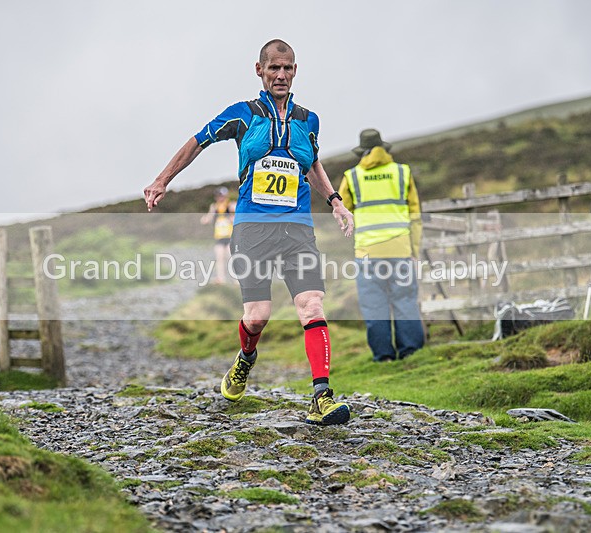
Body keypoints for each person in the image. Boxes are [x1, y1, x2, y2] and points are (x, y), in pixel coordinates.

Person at [144, 39, 354, 425]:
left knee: (311, 304)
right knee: (257, 316)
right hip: (252, 228)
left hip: (297, 228)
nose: (281, 75)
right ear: (259, 70)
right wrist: (163, 179)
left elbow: (312, 163)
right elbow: (198, 141)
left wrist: (335, 200)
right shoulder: (243, 114)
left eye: (288, 68)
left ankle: (321, 396)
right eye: (274, 68)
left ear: (295, 70)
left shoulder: (309, 119)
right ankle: (245, 359)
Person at [339, 129, 425, 362]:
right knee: (405, 300)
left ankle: (384, 356)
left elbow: (341, 214)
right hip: (400, 250)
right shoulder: (402, 172)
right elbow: (415, 216)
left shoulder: (352, 176)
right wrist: (414, 250)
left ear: (362, 152)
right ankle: (411, 354)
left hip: (367, 253)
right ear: (384, 149)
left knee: (373, 305)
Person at [200, 186, 236, 284]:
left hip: (230, 236)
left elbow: (238, 217)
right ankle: (221, 279)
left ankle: (237, 280)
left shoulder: (231, 205)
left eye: (222, 196)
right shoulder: (214, 207)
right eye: (218, 196)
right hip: (219, 236)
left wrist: (231, 218)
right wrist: (205, 219)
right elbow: (208, 218)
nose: (220, 198)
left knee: (232, 258)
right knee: (219, 258)